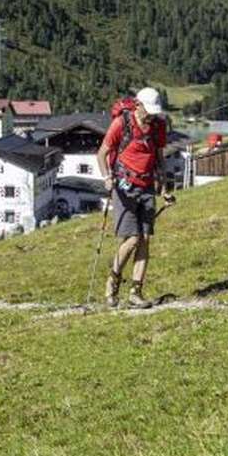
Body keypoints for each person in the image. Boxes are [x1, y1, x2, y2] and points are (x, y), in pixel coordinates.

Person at [97, 86, 172, 308]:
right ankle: (113, 281)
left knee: (145, 239)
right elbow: (102, 153)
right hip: (124, 187)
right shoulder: (122, 123)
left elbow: (159, 158)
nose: (151, 115)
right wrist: (107, 177)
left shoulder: (157, 126)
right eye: (148, 110)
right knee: (132, 238)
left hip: (147, 186)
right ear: (137, 105)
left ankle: (136, 292)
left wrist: (164, 187)